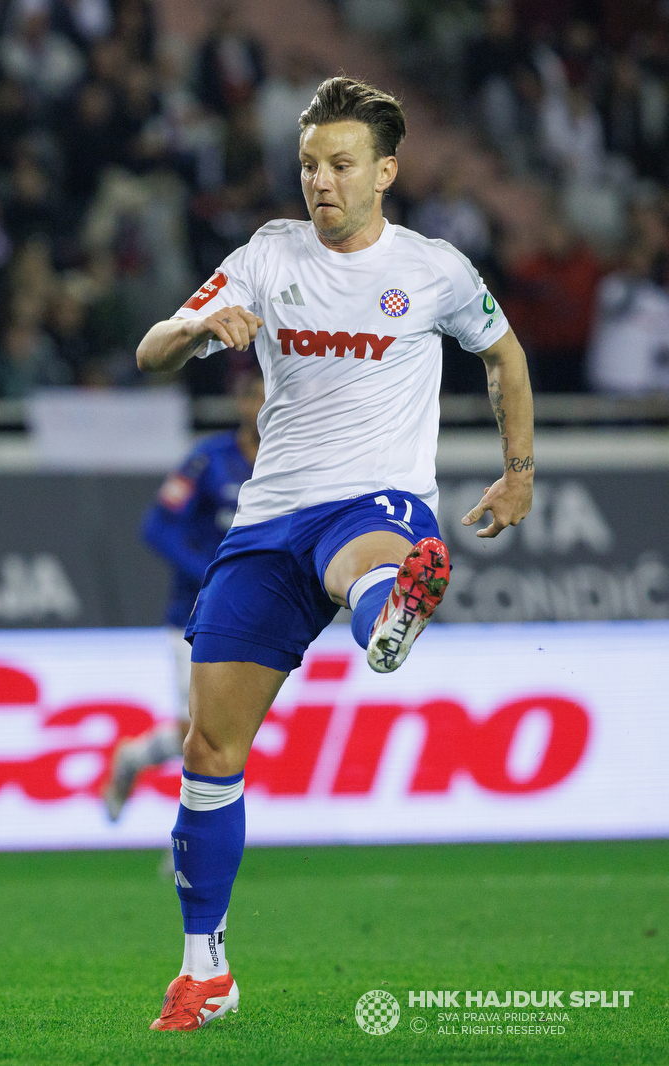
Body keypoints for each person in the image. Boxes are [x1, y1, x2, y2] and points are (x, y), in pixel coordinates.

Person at [131, 78, 534, 1031]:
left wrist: (518, 473)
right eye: (310, 163)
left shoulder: (432, 270)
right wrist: (196, 327)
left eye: (341, 164)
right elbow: (151, 350)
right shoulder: (267, 258)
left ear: (386, 171)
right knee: (208, 752)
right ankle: (207, 972)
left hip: (375, 498)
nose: (321, 180)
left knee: (370, 555)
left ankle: (389, 608)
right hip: (270, 520)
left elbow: (504, 356)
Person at [104, 367, 262, 831]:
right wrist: (209, 572)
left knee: (220, 733)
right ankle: (191, 841)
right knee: (201, 734)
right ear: (241, 403)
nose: (262, 406)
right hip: (195, 615)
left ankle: (135, 756)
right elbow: (157, 526)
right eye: (254, 396)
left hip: (256, 619)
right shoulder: (210, 459)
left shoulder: (288, 464)